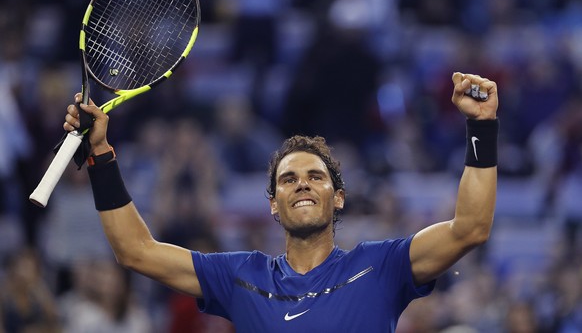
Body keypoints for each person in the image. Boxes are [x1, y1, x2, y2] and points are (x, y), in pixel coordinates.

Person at [62, 72, 498, 332]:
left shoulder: (382, 266)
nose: (303, 185)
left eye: (315, 177)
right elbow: (134, 251)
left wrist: (481, 127)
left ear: (339, 197)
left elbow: (471, 227)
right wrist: (100, 156)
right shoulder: (239, 275)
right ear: (273, 204)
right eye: (288, 179)